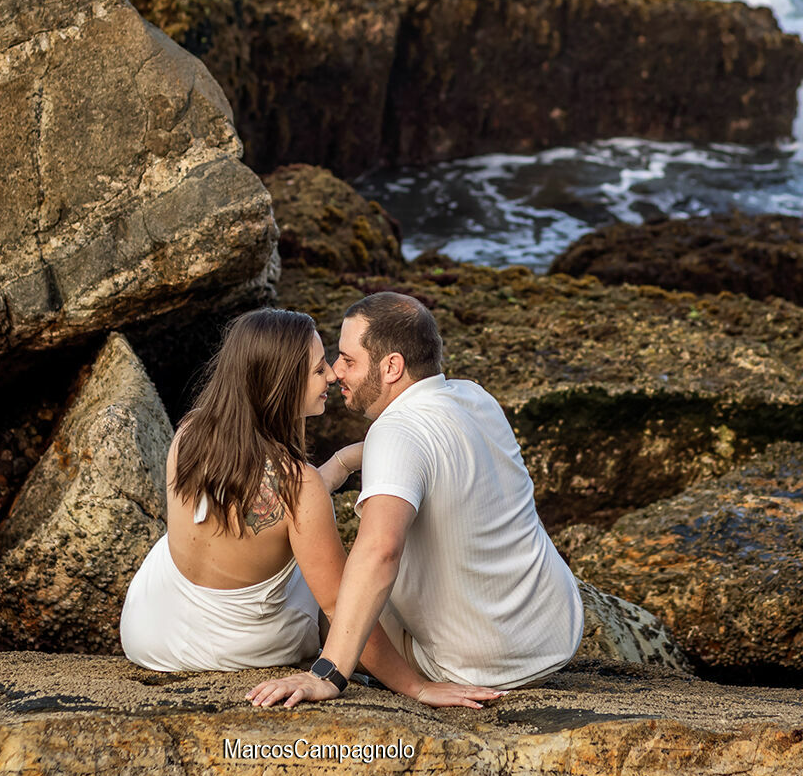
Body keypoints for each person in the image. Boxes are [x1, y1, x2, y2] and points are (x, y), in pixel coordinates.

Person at [120, 306, 501, 708]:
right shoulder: (300, 487)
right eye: (320, 369)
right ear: (282, 382)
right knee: (359, 579)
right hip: (234, 649)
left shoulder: (193, 431)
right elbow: (340, 605)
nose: (333, 375)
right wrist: (417, 687)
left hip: (149, 629)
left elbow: (257, 504)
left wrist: (340, 463)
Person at [247, 292, 583, 708]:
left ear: (391, 367)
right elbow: (432, 454)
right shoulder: (473, 398)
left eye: (348, 360)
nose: (335, 373)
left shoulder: (397, 432)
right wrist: (343, 462)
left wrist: (329, 673)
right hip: (554, 636)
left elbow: (380, 553)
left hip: (479, 665)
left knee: (316, 594)